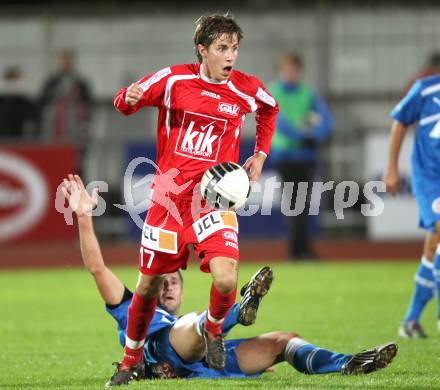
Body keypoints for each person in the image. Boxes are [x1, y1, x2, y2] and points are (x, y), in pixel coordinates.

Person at [61, 174, 398, 384]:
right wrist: (84, 218)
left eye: (174, 283)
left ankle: (346, 364)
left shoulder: (181, 313)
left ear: (181, 290)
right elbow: (98, 269)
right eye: (162, 282)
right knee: (194, 325)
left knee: (282, 341)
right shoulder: (130, 306)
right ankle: (236, 311)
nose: (167, 287)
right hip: (162, 350)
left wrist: (254, 366)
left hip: (203, 360)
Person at [111, 13, 279, 385]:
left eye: (234, 48)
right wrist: (128, 98)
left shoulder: (245, 88)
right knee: (149, 285)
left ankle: (214, 330)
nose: (230, 56)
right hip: (168, 203)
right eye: (222, 48)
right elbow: (125, 102)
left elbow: (270, 109)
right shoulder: (173, 80)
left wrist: (260, 153)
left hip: (213, 201)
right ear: (202, 50)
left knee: (225, 278)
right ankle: (129, 363)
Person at [383, 72, 440, 338]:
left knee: (434, 245)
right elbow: (399, 121)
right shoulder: (426, 89)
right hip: (430, 177)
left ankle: (410, 320)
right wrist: (392, 167)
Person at [268, 53, 333, 260]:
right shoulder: (273, 92)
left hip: (306, 156)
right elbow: (278, 123)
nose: (291, 73)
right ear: (280, 70)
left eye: (294, 69)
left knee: (303, 203)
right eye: (287, 69)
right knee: (293, 202)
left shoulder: (308, 94)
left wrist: (316, 135)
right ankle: (298, 249)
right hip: (285, 156)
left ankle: (300, 248)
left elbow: (327, 120)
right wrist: (304, 136)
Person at [39, 49, 92, 148]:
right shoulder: (51, 81)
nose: (66, 63)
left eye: (68, 60)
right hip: (55, 127)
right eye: (64, 60)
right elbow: (43, 101)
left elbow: (88, 103)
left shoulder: (81, 82)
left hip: (75, 127)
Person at [0, 66, 37, 139]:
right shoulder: (2, 96)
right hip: (3, 124)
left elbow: (31, 111)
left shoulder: (25, 95)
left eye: (15, 78)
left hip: (19, 124)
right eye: (11, 78)